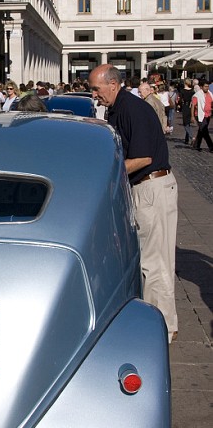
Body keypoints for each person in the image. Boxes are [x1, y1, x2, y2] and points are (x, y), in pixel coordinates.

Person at [88, 64, 178, 344]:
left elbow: (141, 158)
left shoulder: (132, 108)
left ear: (112, 84)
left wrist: (106, 173)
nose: (94, 94)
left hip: (152, 187)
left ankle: (162, 328)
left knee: (156, 263)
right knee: (145, 261)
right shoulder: (118, 108)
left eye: (96, 88)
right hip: (143, 188)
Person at [191, 79, 213, 151]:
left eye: (207, 86)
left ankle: (196, 145)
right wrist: (192, 116)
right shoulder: (197, 95)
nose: (207, 88)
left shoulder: (210, 93)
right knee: (205, 131)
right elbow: (193, 106)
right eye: (205, 86)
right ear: (201, 87)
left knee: (201, 131)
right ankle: (211, 146)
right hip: (200, 115)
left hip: (208, 114)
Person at [180, 78, 194, 145]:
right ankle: (186, 139)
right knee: (188, 123)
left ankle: (192, 137)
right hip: (191, 107)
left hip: (185, 107)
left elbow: (181, 100)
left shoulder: (182, 91)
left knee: (185, 124)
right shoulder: (192, 91)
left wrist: (179, 106)